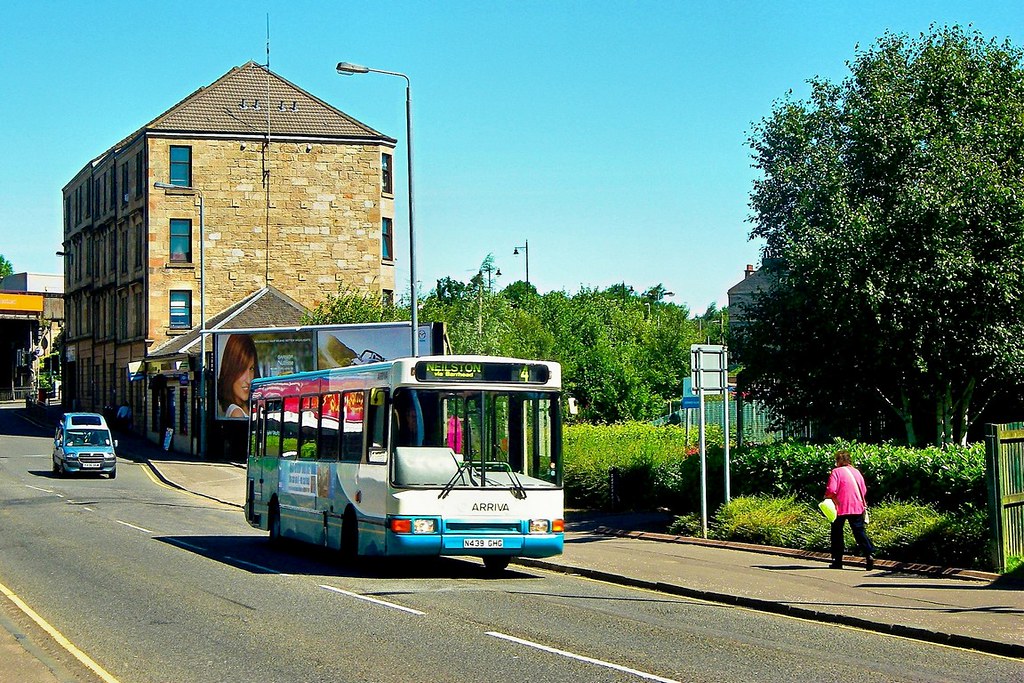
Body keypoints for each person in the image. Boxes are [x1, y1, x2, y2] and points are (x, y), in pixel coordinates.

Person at [824, 449, 875, 570]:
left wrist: (826, 497)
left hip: (839, 506)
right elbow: (864, 489)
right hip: (856, 506)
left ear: (838, 461)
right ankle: (869, 553)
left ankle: (838, 560)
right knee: (859, 531)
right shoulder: (856, 472)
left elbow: (831, 490)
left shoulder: (836, 472)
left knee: (837, 533)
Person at [218, 334, 259, 418]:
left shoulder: (245, 408)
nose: (249, 380)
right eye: (242, 369)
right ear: (230, 370)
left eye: (251, 369)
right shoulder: (236, 412)